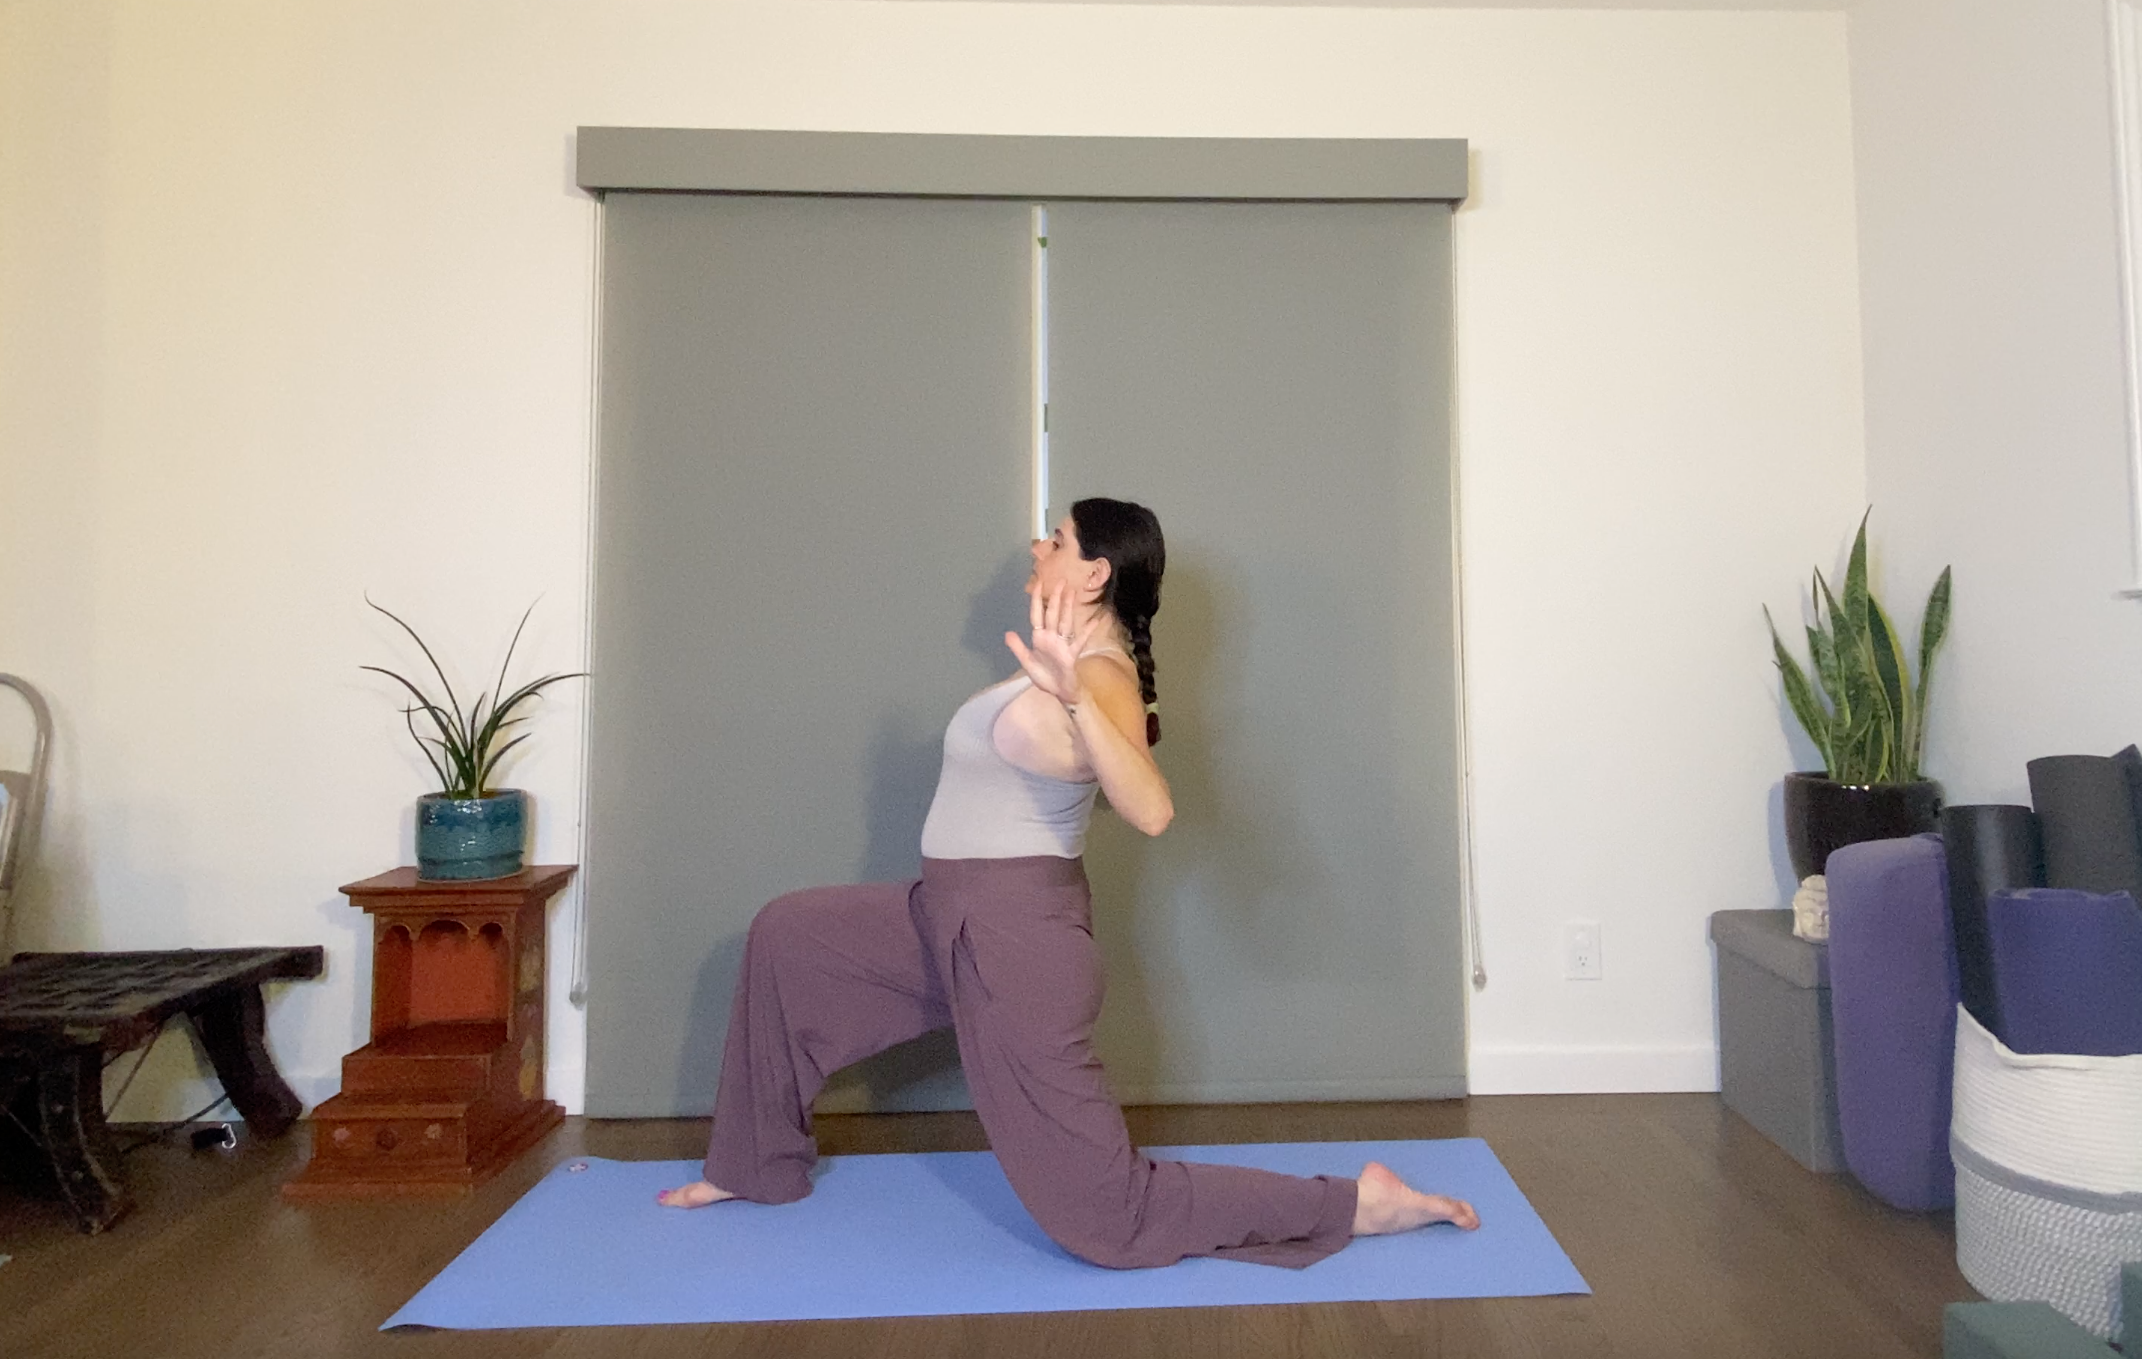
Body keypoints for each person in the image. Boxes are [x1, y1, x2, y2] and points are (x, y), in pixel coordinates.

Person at [658, 498, 1480, 1268]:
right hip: (944, 912)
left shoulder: (1102, 676)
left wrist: (1076, 701)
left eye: (1056, 538)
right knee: (790, 938)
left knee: (1107, 1219)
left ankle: (1359, 1205)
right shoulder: (1061, 663)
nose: (1036, 546)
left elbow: (1151, 808)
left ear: (1094, 574)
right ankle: (756, 1164)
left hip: (1016, 941)